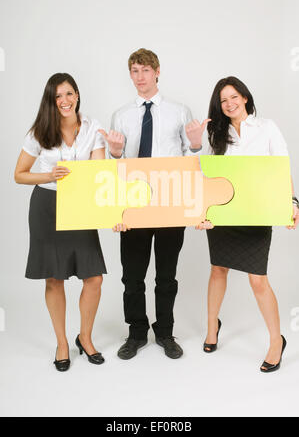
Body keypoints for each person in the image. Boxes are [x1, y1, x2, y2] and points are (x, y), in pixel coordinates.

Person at [100, 48, 205, 360]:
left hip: (170, 203)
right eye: (134, 71)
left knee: (166, 275)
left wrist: (197, 144)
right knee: (132, 276)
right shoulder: (121, 115)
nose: (139, 77)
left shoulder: (180, 111)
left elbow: (193, 162)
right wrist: (116, 153)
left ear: (157, 72)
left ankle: (165, 332)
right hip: (134, 204)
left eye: (145, 70)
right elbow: (114, 167)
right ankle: (135, 333)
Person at [192, 76, 299, 372]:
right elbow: (207, 176)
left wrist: (292, 203)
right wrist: (202, 211)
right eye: (223, 100)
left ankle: (276, 341)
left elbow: (282, 169)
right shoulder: (217, 134)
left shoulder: (267, 128)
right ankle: (212, 327)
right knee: (218, 269)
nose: (229, 104)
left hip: (257, 212)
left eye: (234, 97)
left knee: (257, 280)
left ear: (245, 97)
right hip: (224, 212)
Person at [14, 73, 107, 372]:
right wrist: (48, 175)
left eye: (69, 94)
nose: (64, 101)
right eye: (57, 97)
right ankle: (62, 343)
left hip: (80, 205)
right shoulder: (39, 131)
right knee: (54, 278)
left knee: (93, 277)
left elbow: (100, 172)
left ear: (77, 95)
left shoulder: (93, 128)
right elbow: (20, 174)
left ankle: (85, 337)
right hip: (47, 206)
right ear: (51, 101)